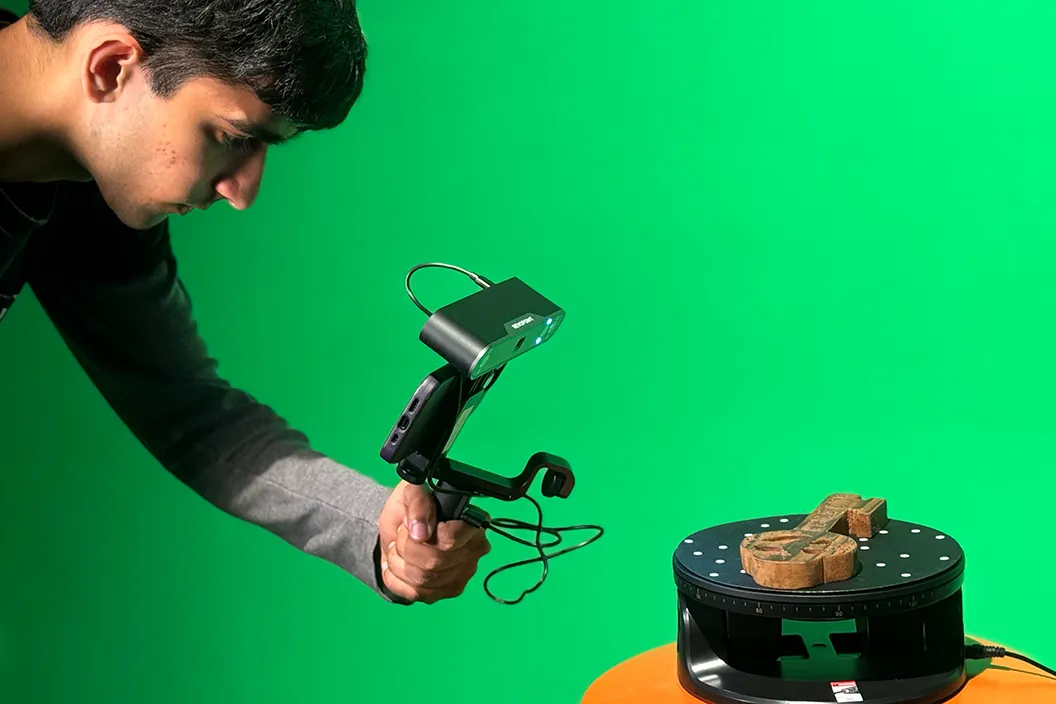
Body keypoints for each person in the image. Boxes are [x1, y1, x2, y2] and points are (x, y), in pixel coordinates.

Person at [0, 0, 491, 605]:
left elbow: (190, 414)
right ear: (110, 68)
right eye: (232, 137)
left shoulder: (88, 191)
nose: (243, 191)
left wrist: (382, 529)